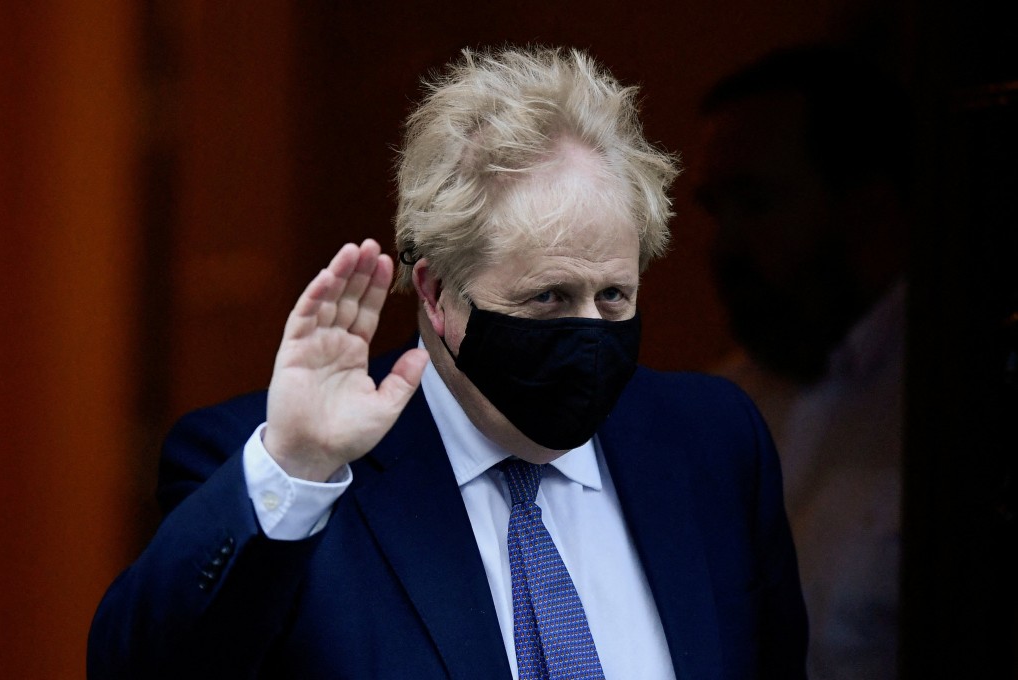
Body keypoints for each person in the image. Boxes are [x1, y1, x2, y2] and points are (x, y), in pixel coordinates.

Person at [89, 46, 806, 679]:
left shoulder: (711, 444)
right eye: (549, 298)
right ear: (436, 293)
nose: (589, 332)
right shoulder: (284, 468)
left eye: (613, 296)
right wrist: (295, 469)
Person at [694, 45, 912, 679]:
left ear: (866, 206)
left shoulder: (947, 403)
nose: (722, 247)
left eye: (757, 202)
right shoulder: (715, 416)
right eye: (715, 208)